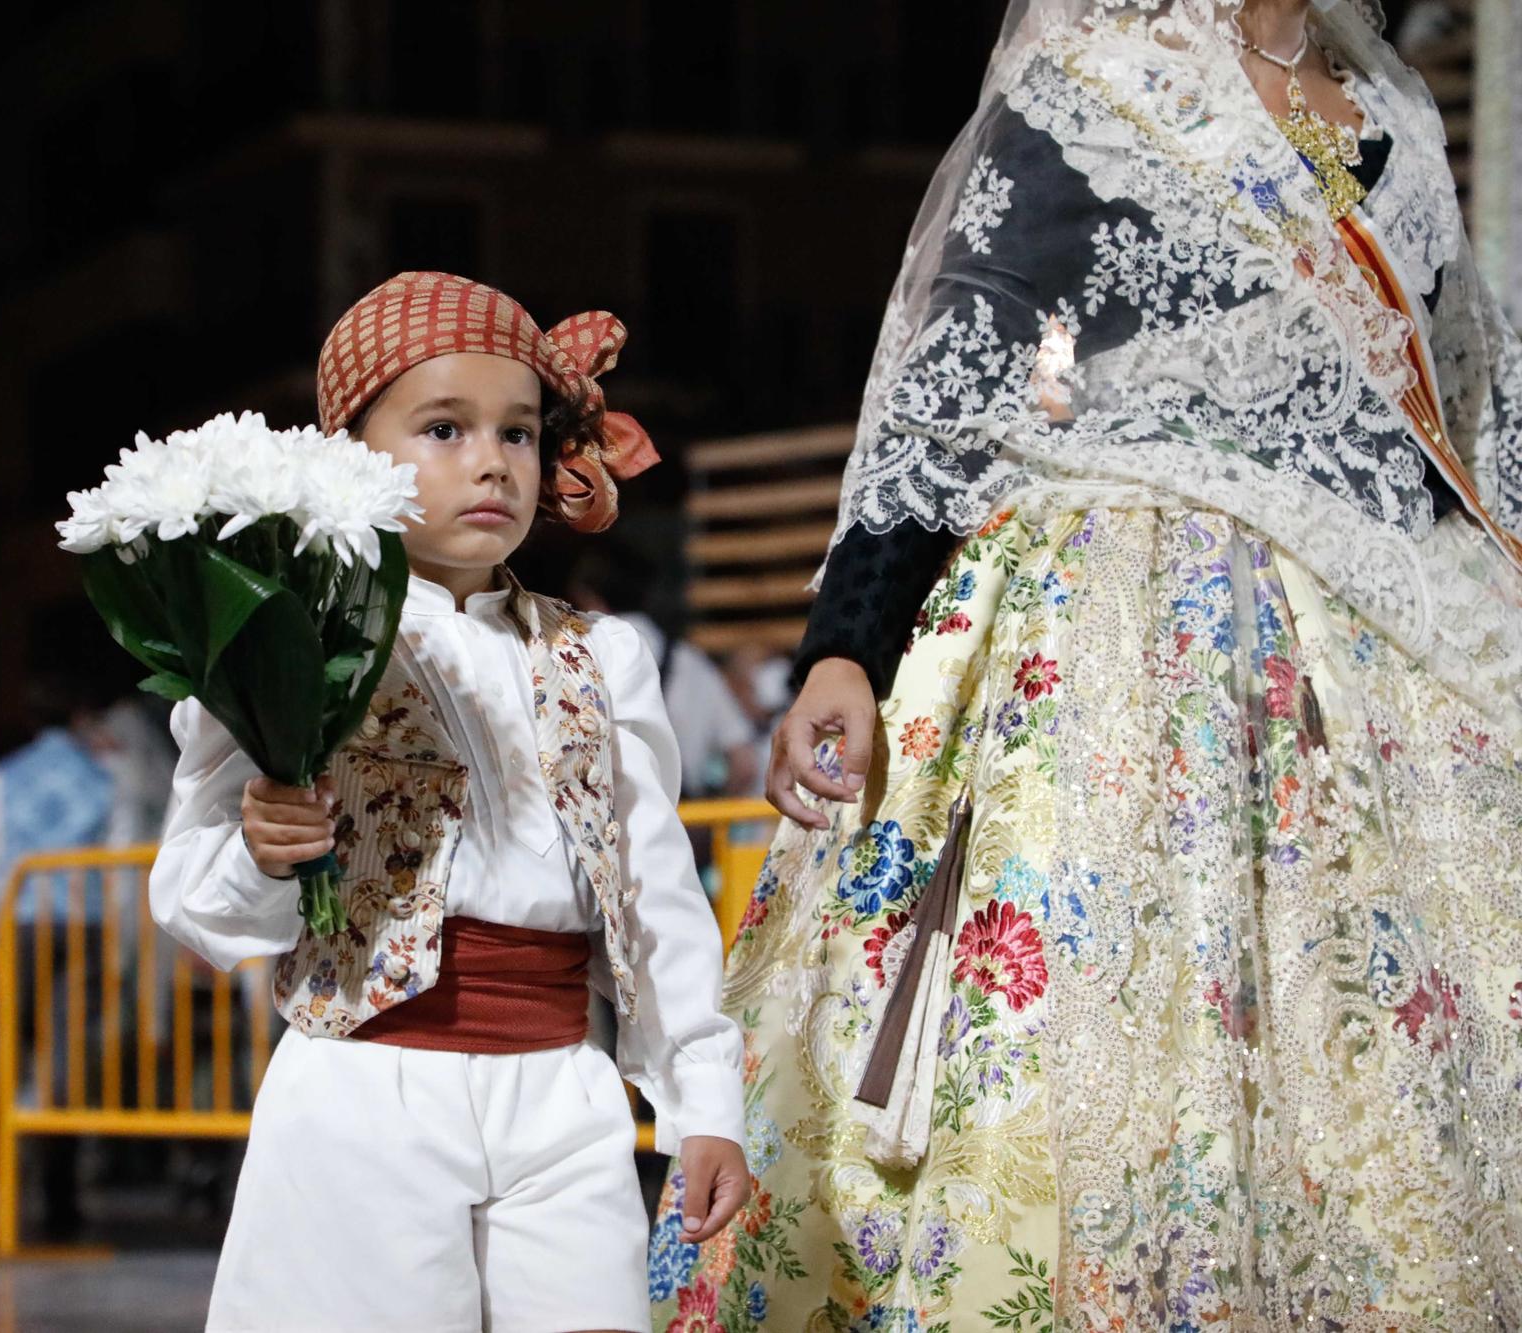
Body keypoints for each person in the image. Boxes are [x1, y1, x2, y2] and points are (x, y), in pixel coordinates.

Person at [649, 0, 1522, 1327]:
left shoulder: (1393, 112)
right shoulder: (1099, 85)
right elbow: (955, 384)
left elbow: (1442, 423)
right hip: (1113, 628)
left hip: (1365, 675)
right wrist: (846, 646)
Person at [149, 272, 749, 1333]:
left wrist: (701, 1101)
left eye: (518, 433)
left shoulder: (604, 655)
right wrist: (263, 854)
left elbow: (654, 894)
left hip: (563, 1089)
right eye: (442, 427)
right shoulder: (288, 640)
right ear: (349, 453)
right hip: (365, 1089)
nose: (490, 461)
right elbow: (195, 900)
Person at [568, 544, 762, 800]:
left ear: (588, 599)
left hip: (611, 823)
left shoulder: (579, 655)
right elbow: (744, 764)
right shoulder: (690, 660)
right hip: (685, 821)